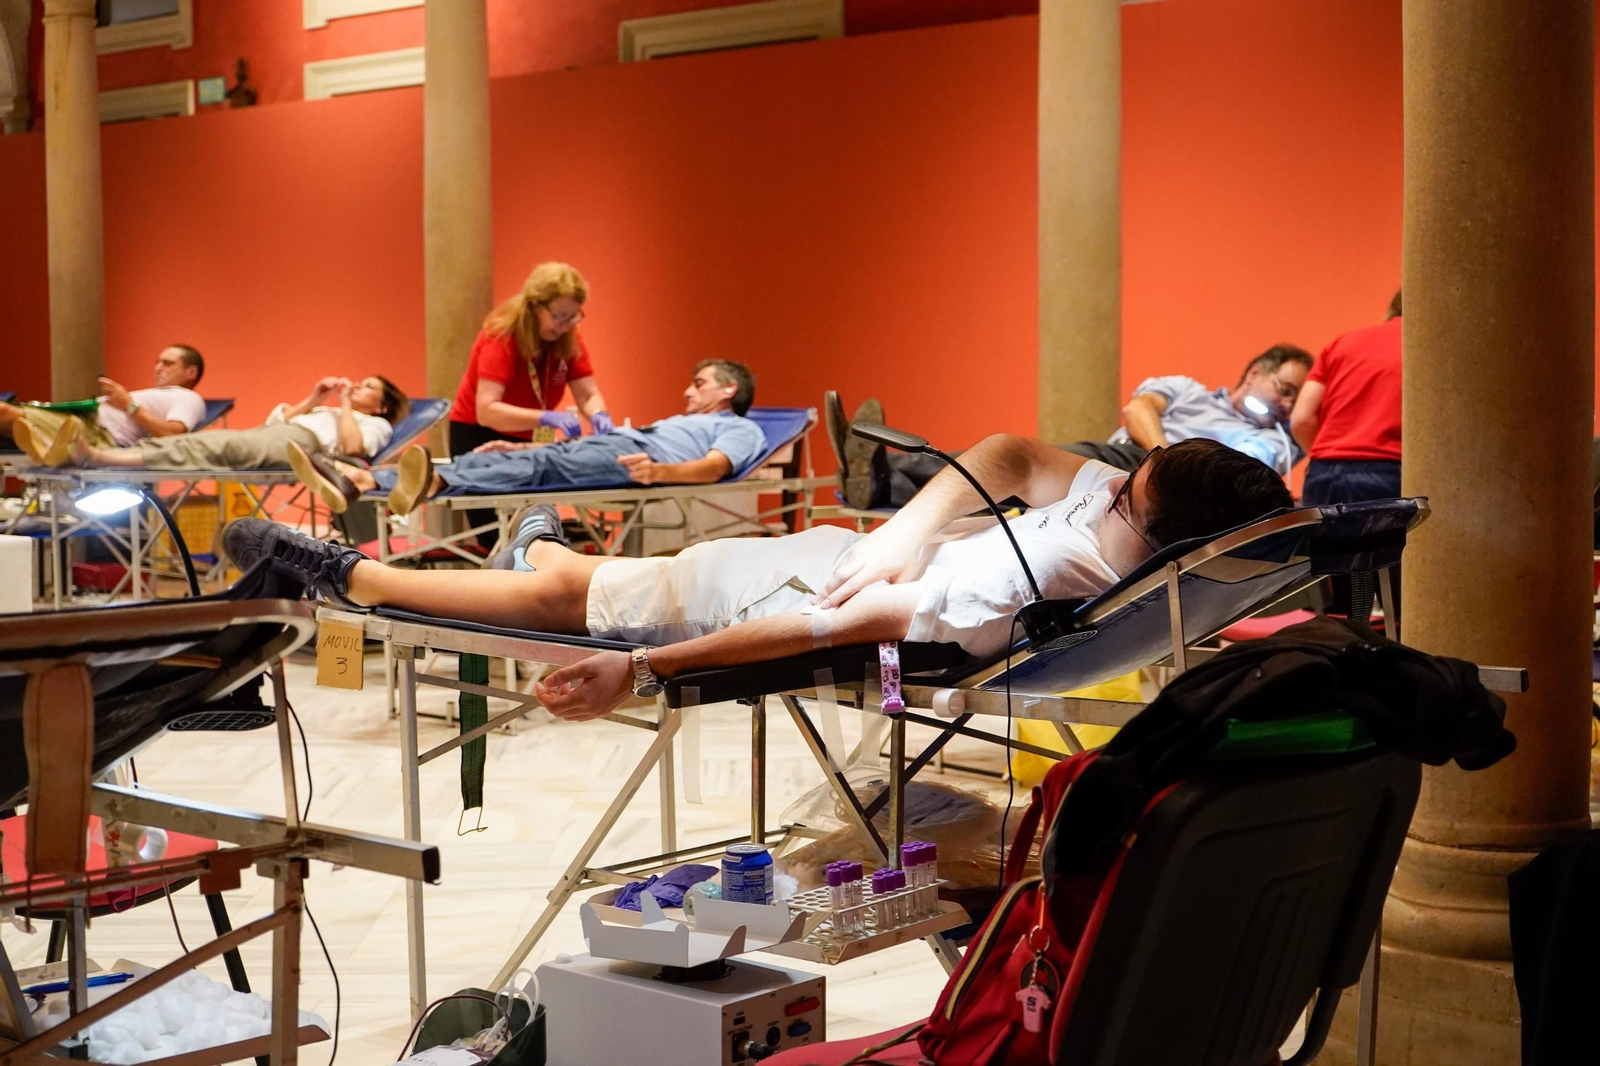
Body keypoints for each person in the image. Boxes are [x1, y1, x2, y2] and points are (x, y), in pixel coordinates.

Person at [223, 435, 1294, 722]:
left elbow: (836, 633)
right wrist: (908, 528)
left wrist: (644, 671)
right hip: (827, 554)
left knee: (575, 604)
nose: (1105, 483)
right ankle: (538, 541)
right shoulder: (1125, 515)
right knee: (606, 574)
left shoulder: (1051, 570)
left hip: (788, 596)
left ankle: (354, 576)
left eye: (1124, 492)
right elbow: (1012, 453)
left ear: (1157, 528)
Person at [835, 345, 1314, 509]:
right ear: (1255, 373)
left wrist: (1170, 464)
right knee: (1013, 466)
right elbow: (1138, 411)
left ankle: (880, 478)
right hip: (1135, 455)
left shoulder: (1275, 441)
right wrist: (1165, 452)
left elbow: (1247, 470)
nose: (1288, 403)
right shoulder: (1187, 389)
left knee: (1018, 471)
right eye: (1285, 389)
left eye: (1297, 398)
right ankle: (882, 480)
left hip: (1168, 484)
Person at [292, 360, 764, 517]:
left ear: (729, 390)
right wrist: (526, 444)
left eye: (699, 384)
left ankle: (418, 481)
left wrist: (660, 472)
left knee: (543, 469)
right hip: (616, 447)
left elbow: (715, 468)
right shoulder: (683, 420)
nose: (688, 391)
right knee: (509, 457)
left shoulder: (742, 428)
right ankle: (363, 479)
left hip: (636, 458)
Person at [1291, 290, 1403, 616]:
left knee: (1345, 599)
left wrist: (1329, 456)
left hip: (1325, 474)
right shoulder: (1430, 344)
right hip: (1390, 473)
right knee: (1401, 599)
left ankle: (1347, 640)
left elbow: (1301, 419)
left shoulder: (1343, 342)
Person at [51, 374, 408, 470]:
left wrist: (344, 402)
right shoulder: (326, 412)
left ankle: (100, 457)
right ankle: (98, 454)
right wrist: (316, 399)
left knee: (211, 445)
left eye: (369, 387)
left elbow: (354, 448)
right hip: (276, 433)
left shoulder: (376, 425)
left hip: (302, 447)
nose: (358, 386)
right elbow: (277, 419)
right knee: (197, 444)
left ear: (381, 407)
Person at [450, 261, 614, 451]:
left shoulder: (569, 338)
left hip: (527, 433)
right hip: (478, 433)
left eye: (572, 317)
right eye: (559, 316)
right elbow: (487, 411)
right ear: (535, 305)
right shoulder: (502, 338)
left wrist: (598, 414)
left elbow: (587, 394)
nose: (566, 326)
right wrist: (545, 417)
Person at [0, 345, 207, 465]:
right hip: (85, 419)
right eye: (158, 362)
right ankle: (47, 446)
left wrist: (129, 404)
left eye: (168, 363)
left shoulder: (189, 398)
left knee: (3, 412)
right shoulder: (158, 394)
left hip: (99, 433)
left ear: (191, 372)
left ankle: (53, 445)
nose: (158, 368)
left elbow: (173, 435)